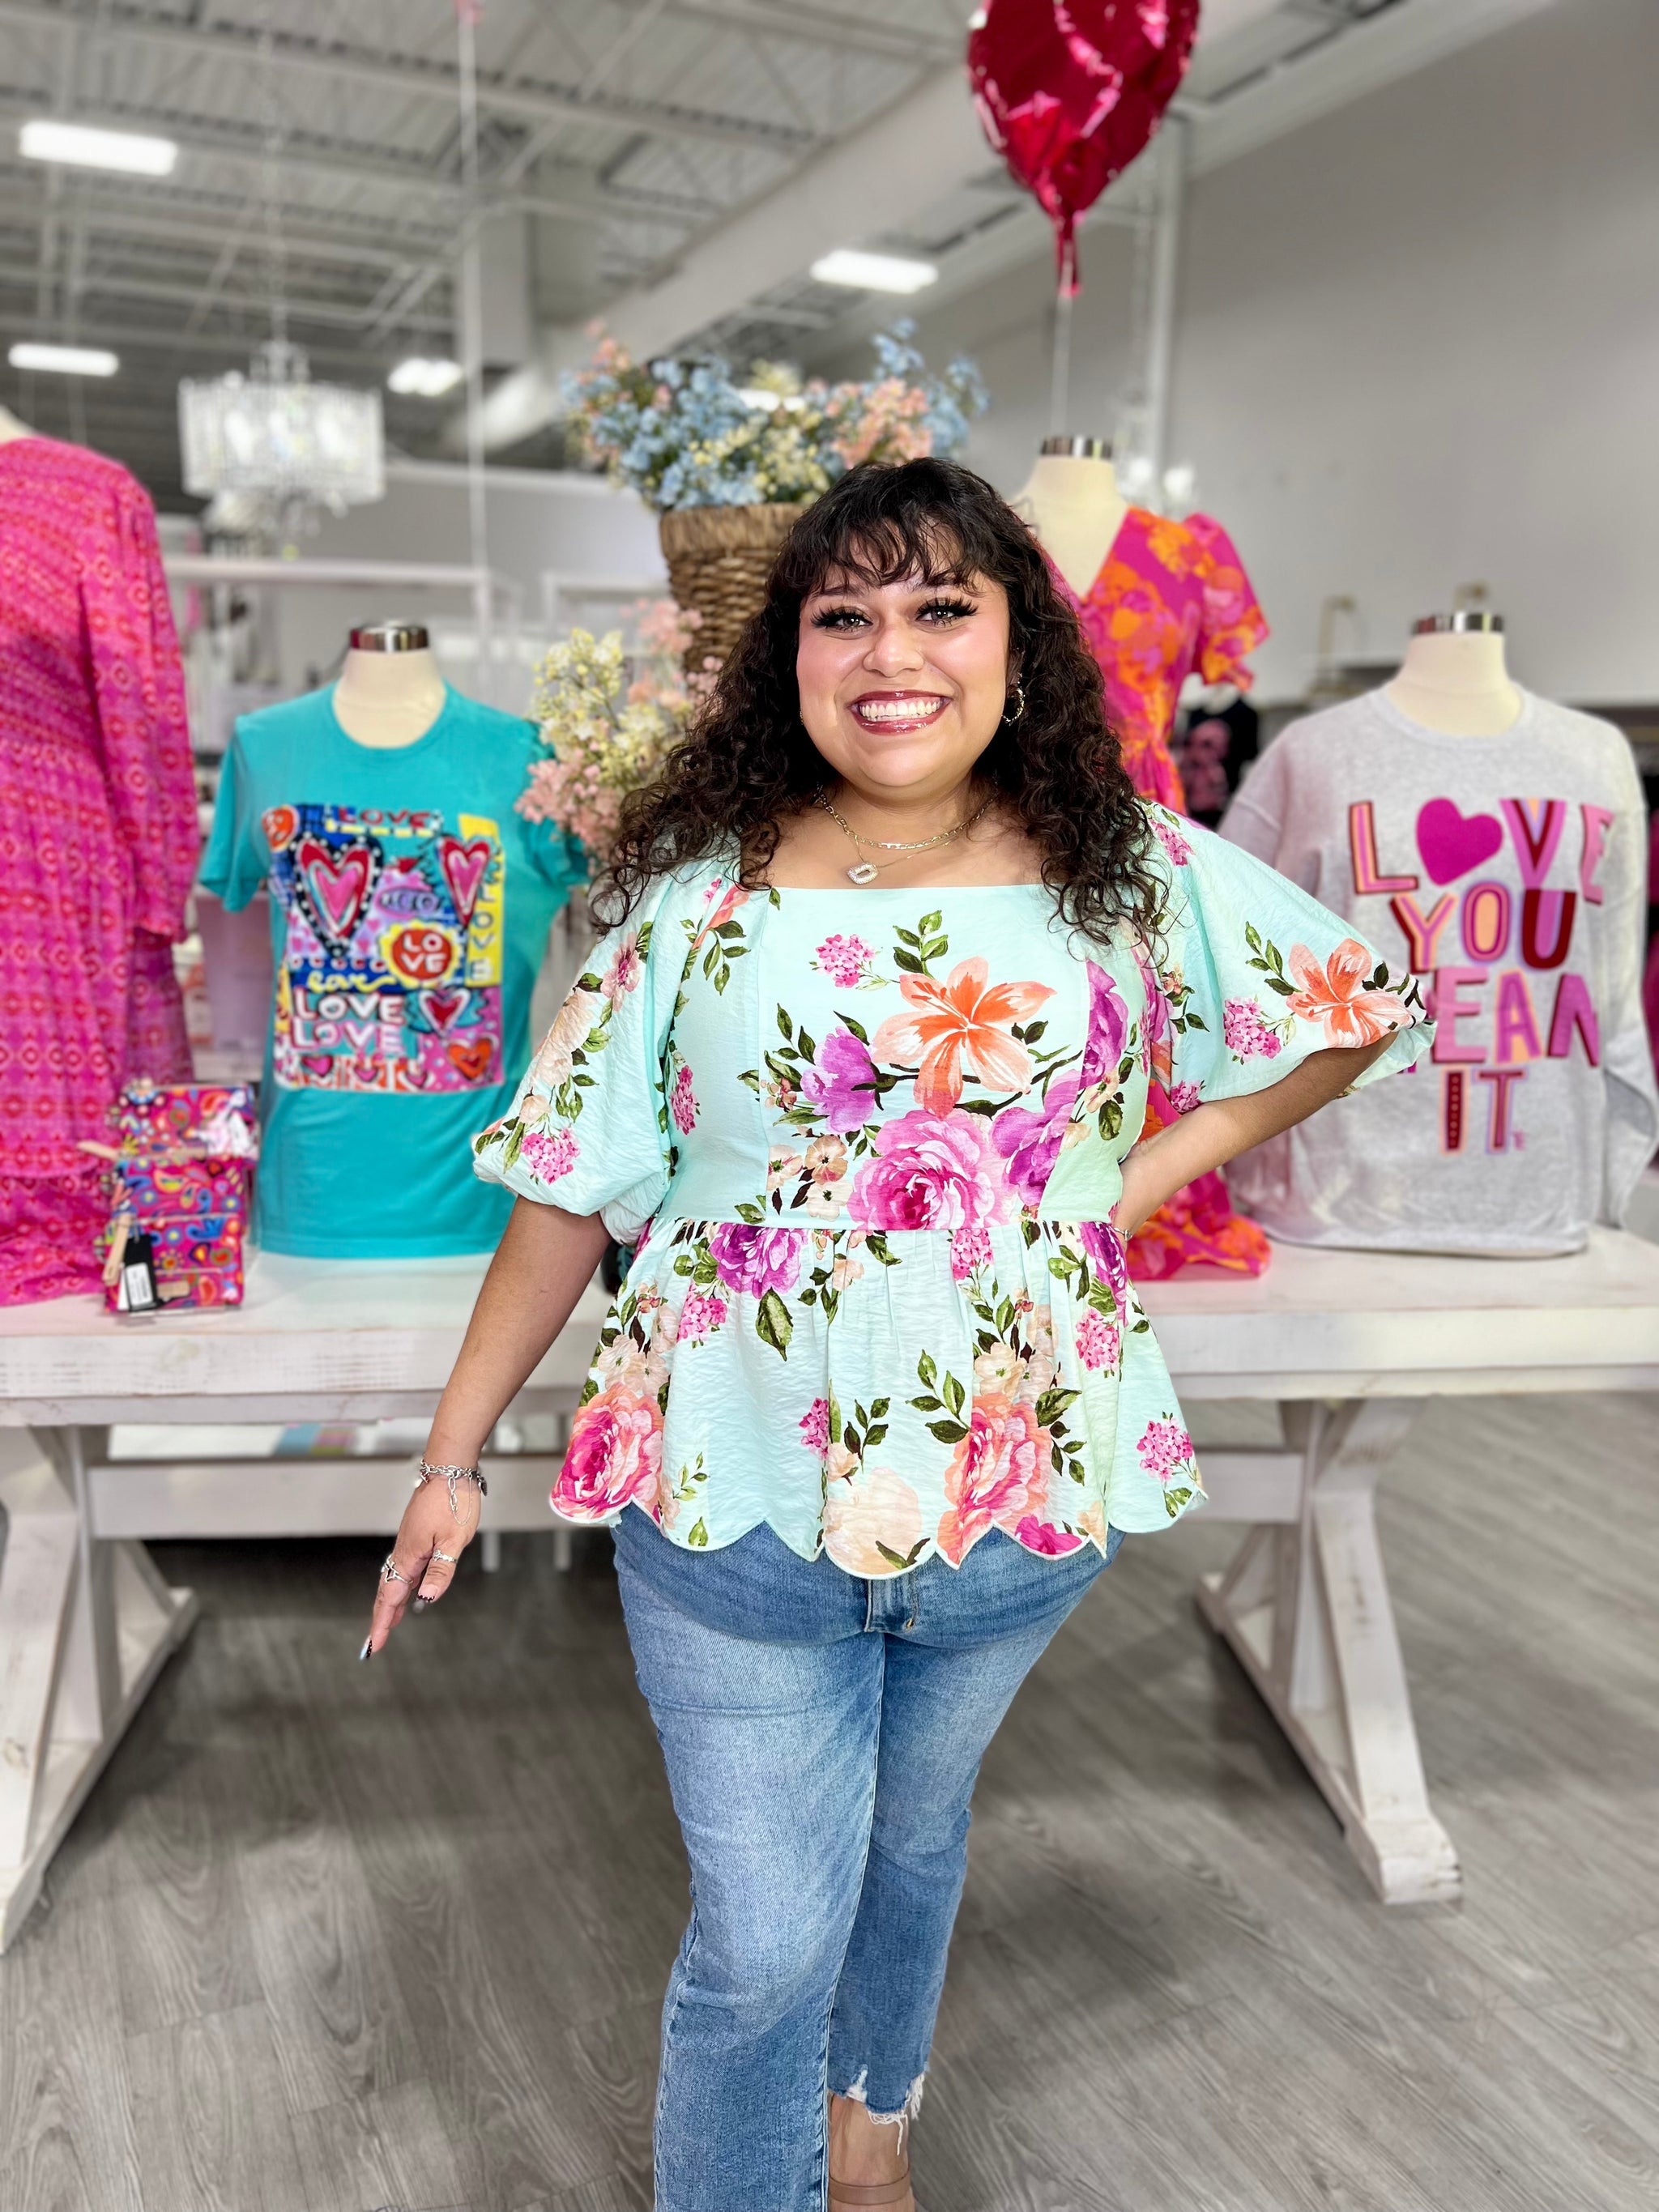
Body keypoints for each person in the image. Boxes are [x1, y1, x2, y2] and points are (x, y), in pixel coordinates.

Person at [362, 458, 1430, 2212]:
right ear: (789, 653)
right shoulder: (695, 891)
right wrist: (451, 1459)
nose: (891, 653)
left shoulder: (1125, 868)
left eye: (942, 606)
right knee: (763, 1939)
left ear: (1020, 643)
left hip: (1018, 1505)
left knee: (916, 1835)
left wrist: (1153, 1167)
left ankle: (872, 2120)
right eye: (842, 614)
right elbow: (565, 1187)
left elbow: (1356, 1004)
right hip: (732, 1496)